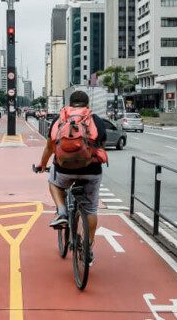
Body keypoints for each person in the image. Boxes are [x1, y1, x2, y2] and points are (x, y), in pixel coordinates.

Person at [37, 91, 107, 265]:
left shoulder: (60, 119)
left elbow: (50, 147)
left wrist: (42, 165)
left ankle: (61, 211)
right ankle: (88, 247)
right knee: (91, 210)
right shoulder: (95, 119)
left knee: (53, 182)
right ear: (87, 104)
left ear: (70, 103)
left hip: (64, 170)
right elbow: (101, 146)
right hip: (91, 170)